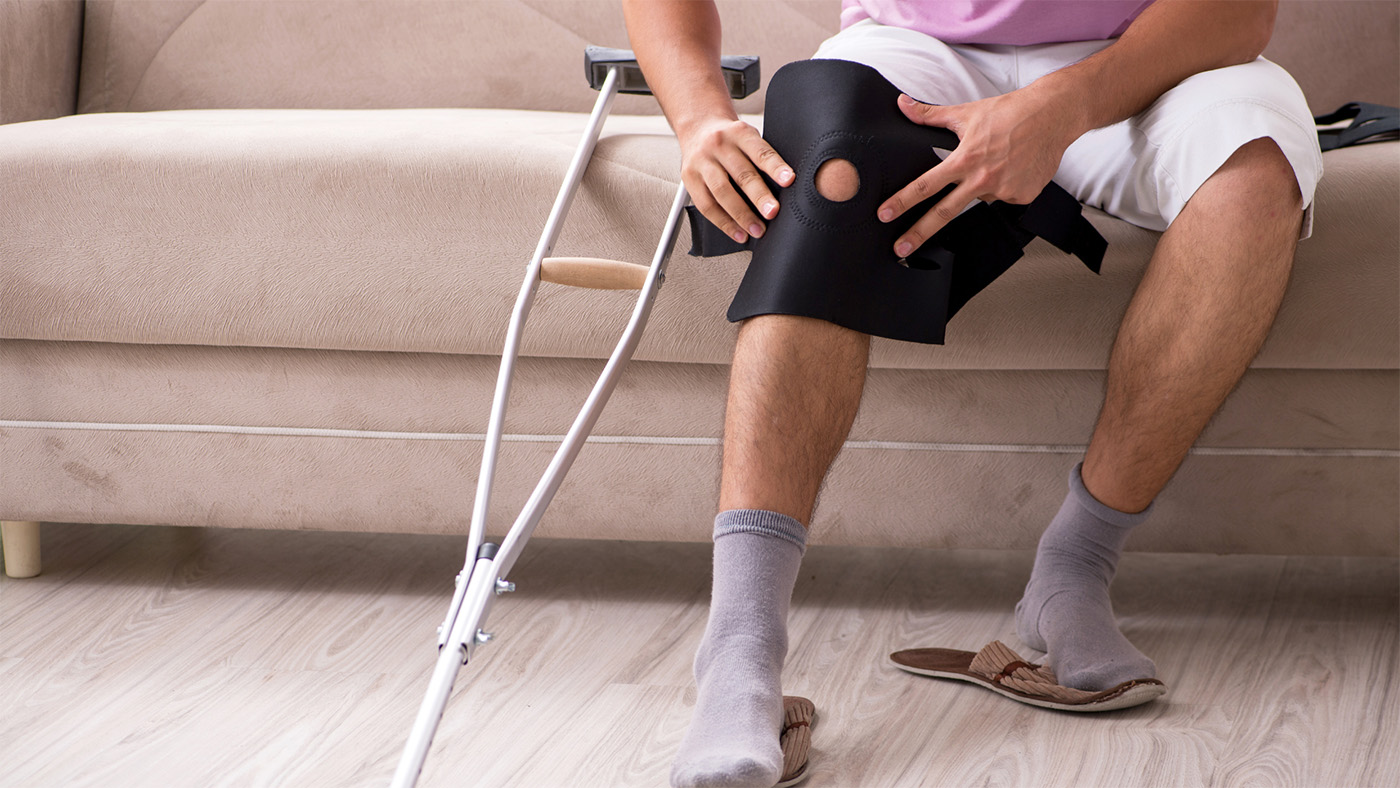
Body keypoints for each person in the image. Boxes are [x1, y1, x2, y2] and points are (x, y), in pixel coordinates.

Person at [620, 1, 1322, 786]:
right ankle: (739, 652)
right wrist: (699, 118)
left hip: (1148, 56)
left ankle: (1074, 569)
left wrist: (1063, 105)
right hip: (915, 50)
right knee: (828, 171)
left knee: (1256, 177)